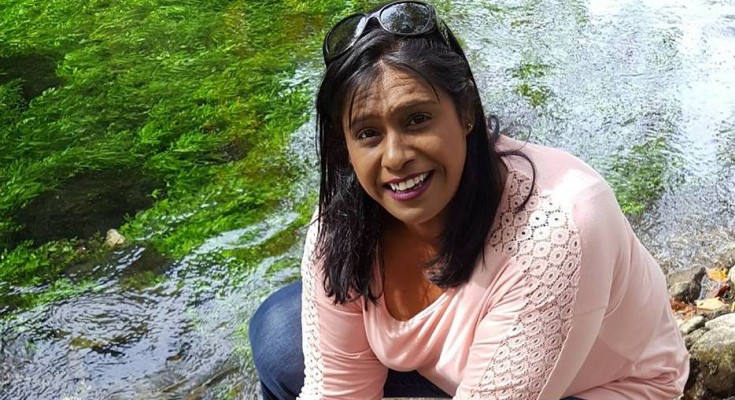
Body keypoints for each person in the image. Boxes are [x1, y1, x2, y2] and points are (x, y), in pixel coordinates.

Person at [249, 1, 690, 399]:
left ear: (466, 112)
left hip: (594, 386)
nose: (395, 157)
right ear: (344, 147)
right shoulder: (342, 223)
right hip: (460, 375)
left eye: (417, 119)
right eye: (368, 133)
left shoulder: (559, 227)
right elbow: (338, 392)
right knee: (281, 333)